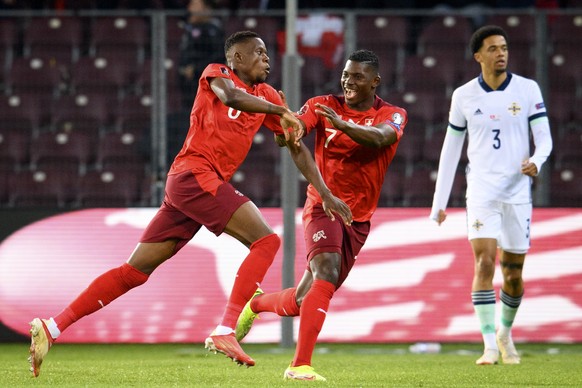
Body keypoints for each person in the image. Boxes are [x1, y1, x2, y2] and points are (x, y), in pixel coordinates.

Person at [28, 30, 352, 378]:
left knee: (134, 272)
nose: (266, 58)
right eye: (257, 53)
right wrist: (278, 110)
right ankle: (226, 329)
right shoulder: (217, 74)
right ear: (237, 59)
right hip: (194, 175)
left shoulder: (268, 95)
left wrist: (323, 189)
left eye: (267, 53)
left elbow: (293, 145)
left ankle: (52, 328)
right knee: (266, 241)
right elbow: (232, 98)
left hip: (191, 186)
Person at [234, 49, 407, 381]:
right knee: (325, 272)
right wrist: (287, 125)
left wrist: (343, 125)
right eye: (345, 74)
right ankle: (300, 365)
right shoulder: (321, 105)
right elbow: (294, 135)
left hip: (358, 217)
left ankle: (255, 304)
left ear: (375, 82)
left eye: (357, 76)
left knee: (304, 299)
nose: (348, 80)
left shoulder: (393, 114)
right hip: (322, 206)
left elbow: (381, 138)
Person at [429, 25, 553, 365]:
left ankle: (504, 333)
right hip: (481, 190)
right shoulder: (464, 96)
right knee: (484, 262)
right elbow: (451, 150)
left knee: (512, 273)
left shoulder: (527, 90)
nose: (501, 53)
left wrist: (537, 161)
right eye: (494, 48)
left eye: (505, 47)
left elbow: (544, 138)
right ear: (478, 56)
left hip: (517, 192)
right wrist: (439, 203)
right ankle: (487, 345)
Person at [177, 0, 225, 109]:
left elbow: (218, 57)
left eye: (195, 4)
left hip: (206, 82)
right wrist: (184, 68)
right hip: (189, 86)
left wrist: (195, 69)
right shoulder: (190, 28)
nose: (190, 8)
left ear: (207, 9)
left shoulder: (214, 31)